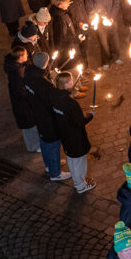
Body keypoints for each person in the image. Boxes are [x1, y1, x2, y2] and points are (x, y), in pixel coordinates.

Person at [24, 52, 70, 182]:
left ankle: (50, 166)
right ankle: (55, 173)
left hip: (37, 114)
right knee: (53, 143)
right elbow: (53, 100)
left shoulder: (28, 73)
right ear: (45, 64)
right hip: (48, 118)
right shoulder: (43, 84)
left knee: (44, 142)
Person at [50, 71, 96, 193]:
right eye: (71, 81)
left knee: (71, 158)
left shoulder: (54, 97)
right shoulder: (70, 103)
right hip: (75, 136)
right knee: (79, 161)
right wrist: (90, 115)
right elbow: (80, 121)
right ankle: (80, 185)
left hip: (64, 135)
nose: (73, 82)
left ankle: (78, 181)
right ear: (66, 85)